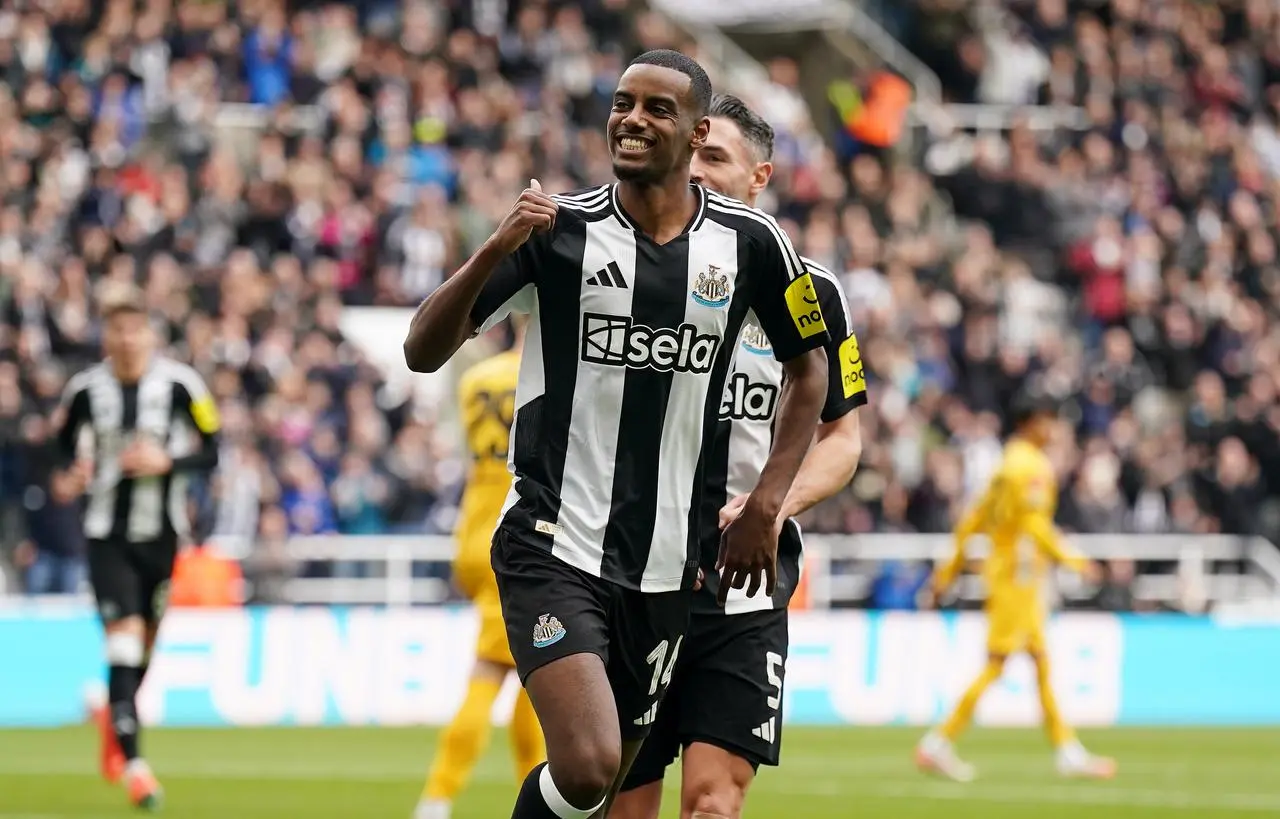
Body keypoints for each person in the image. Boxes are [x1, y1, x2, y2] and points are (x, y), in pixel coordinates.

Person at [403, 49, 831, 819]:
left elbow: (812, 375)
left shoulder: (750, 246)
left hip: (671, 567)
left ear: (695, 132)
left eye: (657, 109)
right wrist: (496, 247)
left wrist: (768, 504)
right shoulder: (557, 232)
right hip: (552, 541)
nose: (632, 119)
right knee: (590, 759)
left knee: (601, 799)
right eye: (622, 103)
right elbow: (422, 349)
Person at [610, 93, 867, 819]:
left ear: (760, 177)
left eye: (714, 157)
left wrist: (770, 504)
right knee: (622, 803)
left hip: (743, 584)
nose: (695, 169)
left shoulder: (810, 292)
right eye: (689, 153)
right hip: (631, 574)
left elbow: (843, 438)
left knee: (715, 804)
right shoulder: (631, 273)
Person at [51, 287, 221, 811]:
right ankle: (136, 767)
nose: (126, 339)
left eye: (134, 328)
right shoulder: (83, 390)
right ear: (108, 335)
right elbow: (58, 451)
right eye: (117, 329)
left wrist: (169, 462)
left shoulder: (181, 385)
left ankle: (114, 718)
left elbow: (212, 449)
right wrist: (67, 477)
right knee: (122, 641)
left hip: (162, 536)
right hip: (106, 536)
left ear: (148, 333)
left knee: (143, 648)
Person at [914, 392, 1116, 783]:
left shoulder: (1006, 465)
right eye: (1049, 420)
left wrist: (945, 574)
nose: (1055, 429)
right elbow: (1034, 526)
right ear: (1032, 422)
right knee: (998, 664)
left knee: (1040, 663)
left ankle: (1067, 750)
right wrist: (1077, 561)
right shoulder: (1031, 467)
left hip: (1010, 575)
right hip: (1017, 578)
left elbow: (973, 519)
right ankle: (937, 743)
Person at [414, 320, 545, 819]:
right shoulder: (548, 377)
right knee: (507, 671)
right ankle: (437, 798)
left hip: (473, 528)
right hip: (518, 533)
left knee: (525, 671)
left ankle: (519, 793)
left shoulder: (477, 380)